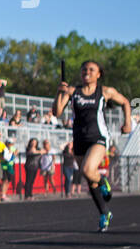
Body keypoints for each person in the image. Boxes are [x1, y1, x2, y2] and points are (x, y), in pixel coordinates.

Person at [53, 60, 133, 231]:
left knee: (88, 170)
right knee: (90, 180)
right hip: (79, 139)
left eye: (91, 69)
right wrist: (58, 93)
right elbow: (57, 112)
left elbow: (126, 102)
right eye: (84, 69)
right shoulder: (73, 91)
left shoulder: (105, 91)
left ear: (99, 74)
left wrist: (128, 124)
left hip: (98, 137)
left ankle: (103, 181)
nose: (86, 72)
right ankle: (104, 213)